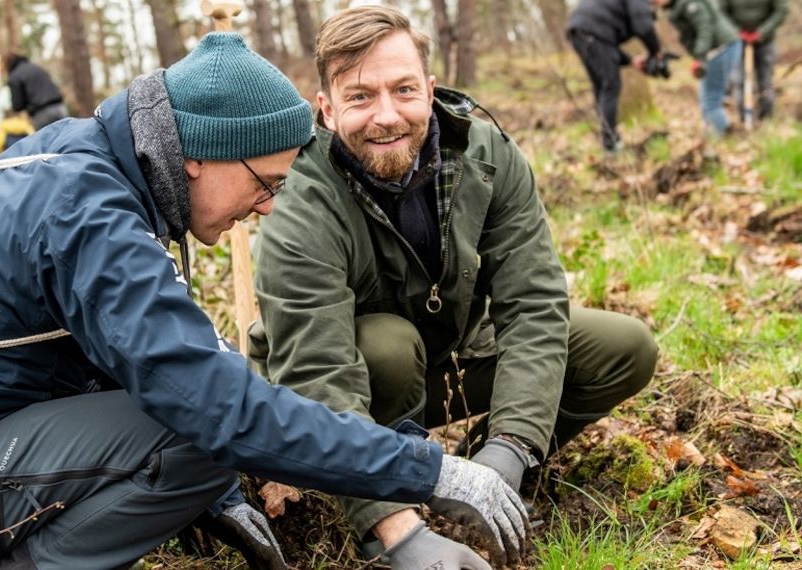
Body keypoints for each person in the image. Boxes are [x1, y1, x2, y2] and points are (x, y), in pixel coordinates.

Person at [0, 33, 530, 570]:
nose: (269, 207)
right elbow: (216, 408)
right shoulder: (86, 214)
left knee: (199, 426)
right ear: (198, 155)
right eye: (265, 183)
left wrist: (215, 500)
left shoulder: (81, 158)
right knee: (198, 435)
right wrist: (430, 472)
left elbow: (123, 357)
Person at [249, 6, 659, 568]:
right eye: (360, 96)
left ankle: (481, 484)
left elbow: (533, 304)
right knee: (388, 347)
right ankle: (386, 495)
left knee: (622, 347)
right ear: (326, 108)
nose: (386, 116)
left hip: (453, 353)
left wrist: (508, 450)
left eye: (404, 90)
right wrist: (396, 531)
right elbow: (317, 373)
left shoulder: (487, 155)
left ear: (430, 88)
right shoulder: (299, 196)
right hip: (354, 386)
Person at [566, 0, 669, 152]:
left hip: (579, 32)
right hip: (593, 33)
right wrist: (656, 51)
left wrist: (631, 61)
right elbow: (643, 27)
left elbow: (609, 46)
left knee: (601, 86)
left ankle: (608, 138)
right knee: (611, 86)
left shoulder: (609, 12)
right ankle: (611, 143)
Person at [655, 0, 742, 135]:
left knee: (711, 100)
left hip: (720, 49)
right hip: (714, 50)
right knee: (705, 100)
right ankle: (712, 136)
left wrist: (700, 57)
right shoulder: (675, 8)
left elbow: (705, 28)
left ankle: (724, 137)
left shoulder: (689, 4)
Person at [720, 0, 789, 121]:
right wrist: (736, 32)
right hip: (736, 41)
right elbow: (721, 12)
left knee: (765, 81)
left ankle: (767, 120)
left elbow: (781, 10)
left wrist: (762, 32)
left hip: (765, 41)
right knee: (739, 80)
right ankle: (744, 119)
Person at [5, 53, 69, 130]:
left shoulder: (14, 76)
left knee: (46, 138)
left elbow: (17, 105)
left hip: (41, 113)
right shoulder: (35, 67)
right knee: (68, 135)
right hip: (59, 107)